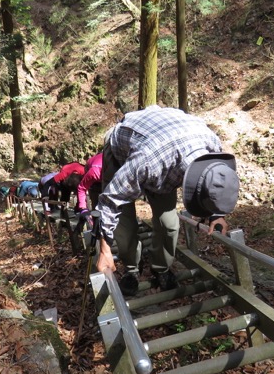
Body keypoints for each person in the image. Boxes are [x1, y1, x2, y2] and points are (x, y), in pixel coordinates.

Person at [95, 106, 239, 296]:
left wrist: (216, 214)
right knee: (125, 223)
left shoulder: (212, 147)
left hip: (166, 152)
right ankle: (131, 269)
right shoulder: (149, 162)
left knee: (169, 223)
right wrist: (104, 251)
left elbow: (216, 183)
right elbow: (110, 201)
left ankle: (160, 268)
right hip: (122, 149)